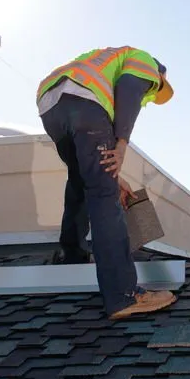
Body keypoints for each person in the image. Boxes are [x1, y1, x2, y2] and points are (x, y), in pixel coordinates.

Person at [36, 45, 178, 320]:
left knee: (81, 179)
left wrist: (115, 177)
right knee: (103, 195)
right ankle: (122, 295)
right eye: (155, 90)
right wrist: (121, 143)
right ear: (159, 77)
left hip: (50, 103)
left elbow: (92, 161)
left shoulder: (106, 60)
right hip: (84, 102)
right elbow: (129, 89)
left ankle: (72, 257)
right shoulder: (145, 63)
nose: (151, 94)